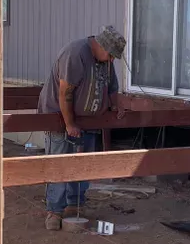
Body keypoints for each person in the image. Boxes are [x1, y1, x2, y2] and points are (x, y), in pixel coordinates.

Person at [38, 25, 127, 230]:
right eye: (111, 55)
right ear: (102, 46)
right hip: (59, 116)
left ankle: (75, 203)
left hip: (89, 120)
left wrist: (115, 104)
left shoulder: (106, 60)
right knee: (59, 164)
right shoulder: (75, 54)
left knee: (83, 163)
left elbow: (112, 87)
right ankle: (55, 210)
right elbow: (65, 93)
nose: (112, 60)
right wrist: (69, 124)